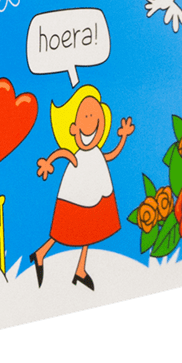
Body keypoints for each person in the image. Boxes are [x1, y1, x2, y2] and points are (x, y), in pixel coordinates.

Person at [29, 86, 134, 291]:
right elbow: (63, 153)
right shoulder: (77, 156)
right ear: (74, 128)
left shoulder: (97, 154)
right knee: (65, 230)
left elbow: (111, 154)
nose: (90, 123)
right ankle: (41, 253)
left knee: (90, 230)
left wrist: (123, 136)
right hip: (74, 197)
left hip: (98, 194)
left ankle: (79, 268)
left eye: (95, 118)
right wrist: (48, 163)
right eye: (85, 118)